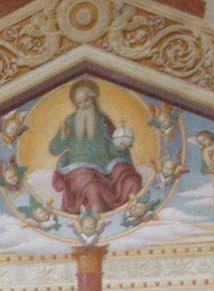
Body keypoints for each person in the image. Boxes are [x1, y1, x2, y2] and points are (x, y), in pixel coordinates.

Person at [48, 80, 144, 215]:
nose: (83, 105)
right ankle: (97, 224)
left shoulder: (103, 120)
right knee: (93, 188)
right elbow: (54, 149)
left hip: (107, 167)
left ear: (93, 99)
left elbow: (111, 145)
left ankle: (133, 213)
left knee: (131, 180)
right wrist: (63, 137)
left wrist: (119, 147)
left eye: (86, 101)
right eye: (79, 103)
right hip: (79, 168)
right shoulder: (70, 122)